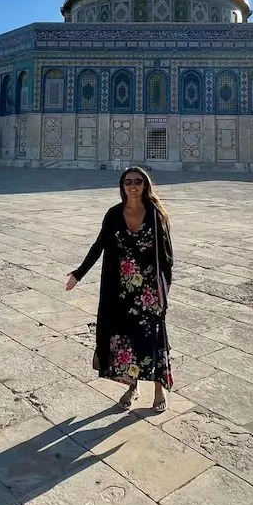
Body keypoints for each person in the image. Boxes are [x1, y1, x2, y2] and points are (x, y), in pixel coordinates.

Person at [66, 166, 173, 411]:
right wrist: (78, 274)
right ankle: (132, 386)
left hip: (149, 293)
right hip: (121, 292)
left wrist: (163, 290)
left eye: (137, 181)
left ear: (145, 185)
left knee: (153, 340)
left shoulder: (156, 215)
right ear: (122, 186)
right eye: (128, 182)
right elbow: (99, 245)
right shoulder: (114, 214)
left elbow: (167, 257)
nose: (133, 186)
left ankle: (159, 390)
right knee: (126, 341)